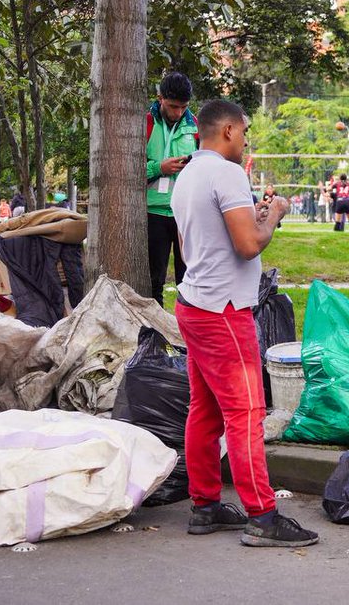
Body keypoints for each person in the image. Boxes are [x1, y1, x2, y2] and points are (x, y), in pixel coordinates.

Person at [171, 99, 318, 548]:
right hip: (224, 311)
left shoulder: (187, 174)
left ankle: (205, 505)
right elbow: (250, 245)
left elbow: (201, 239)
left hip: (194, 301)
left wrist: (252, 219)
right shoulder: (227, 173)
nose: (248, 138)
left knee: (206, 409)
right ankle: (263, 515)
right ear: (229, 131)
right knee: (246, 412)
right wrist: (274, 214)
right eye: (246, 130)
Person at [146, 72, 198, 301]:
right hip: (153, 213)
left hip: (185, 214)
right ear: (160, 99)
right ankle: (156, 334)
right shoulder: (146, 123)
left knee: (187, 279)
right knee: (153, 280)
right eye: (173, 106)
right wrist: (158, 168)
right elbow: (125, 171)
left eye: (183, 107)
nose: (178, 113)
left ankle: (183, 333)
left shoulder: (194, 125)